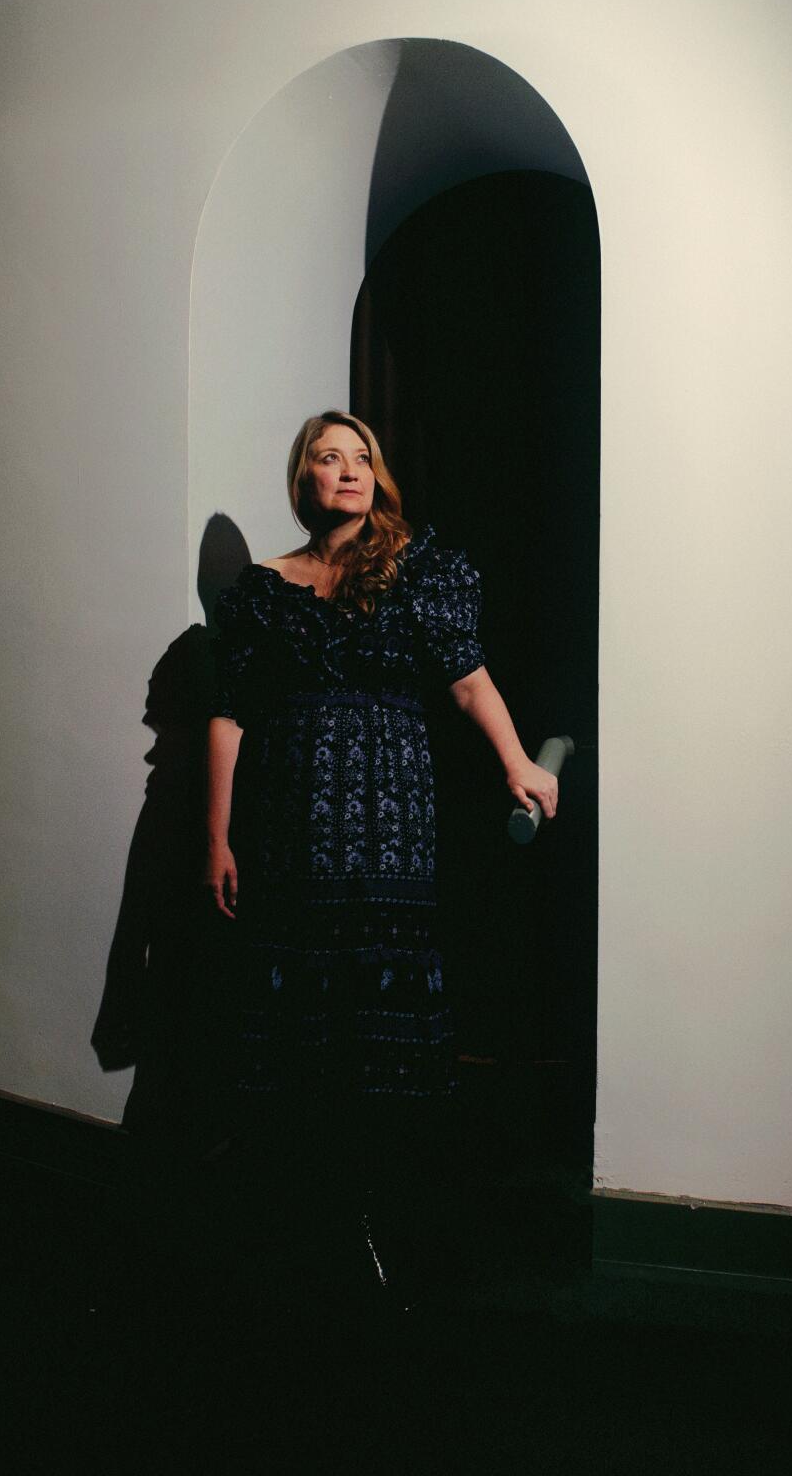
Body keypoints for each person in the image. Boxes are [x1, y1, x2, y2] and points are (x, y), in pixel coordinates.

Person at [203, 411, 558, 1296]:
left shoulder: (417, 569)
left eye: (362, 458)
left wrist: (516, 760)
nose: (349, 471)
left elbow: (468, 679)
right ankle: (308, 1206)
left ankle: (389, 1204)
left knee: (383, 1011)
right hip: (290, 823)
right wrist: (216, 836)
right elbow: (229, 715)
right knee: (296, 1018)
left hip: (388, 816)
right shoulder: (259, 591)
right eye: (330, 458)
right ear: (304, 481)